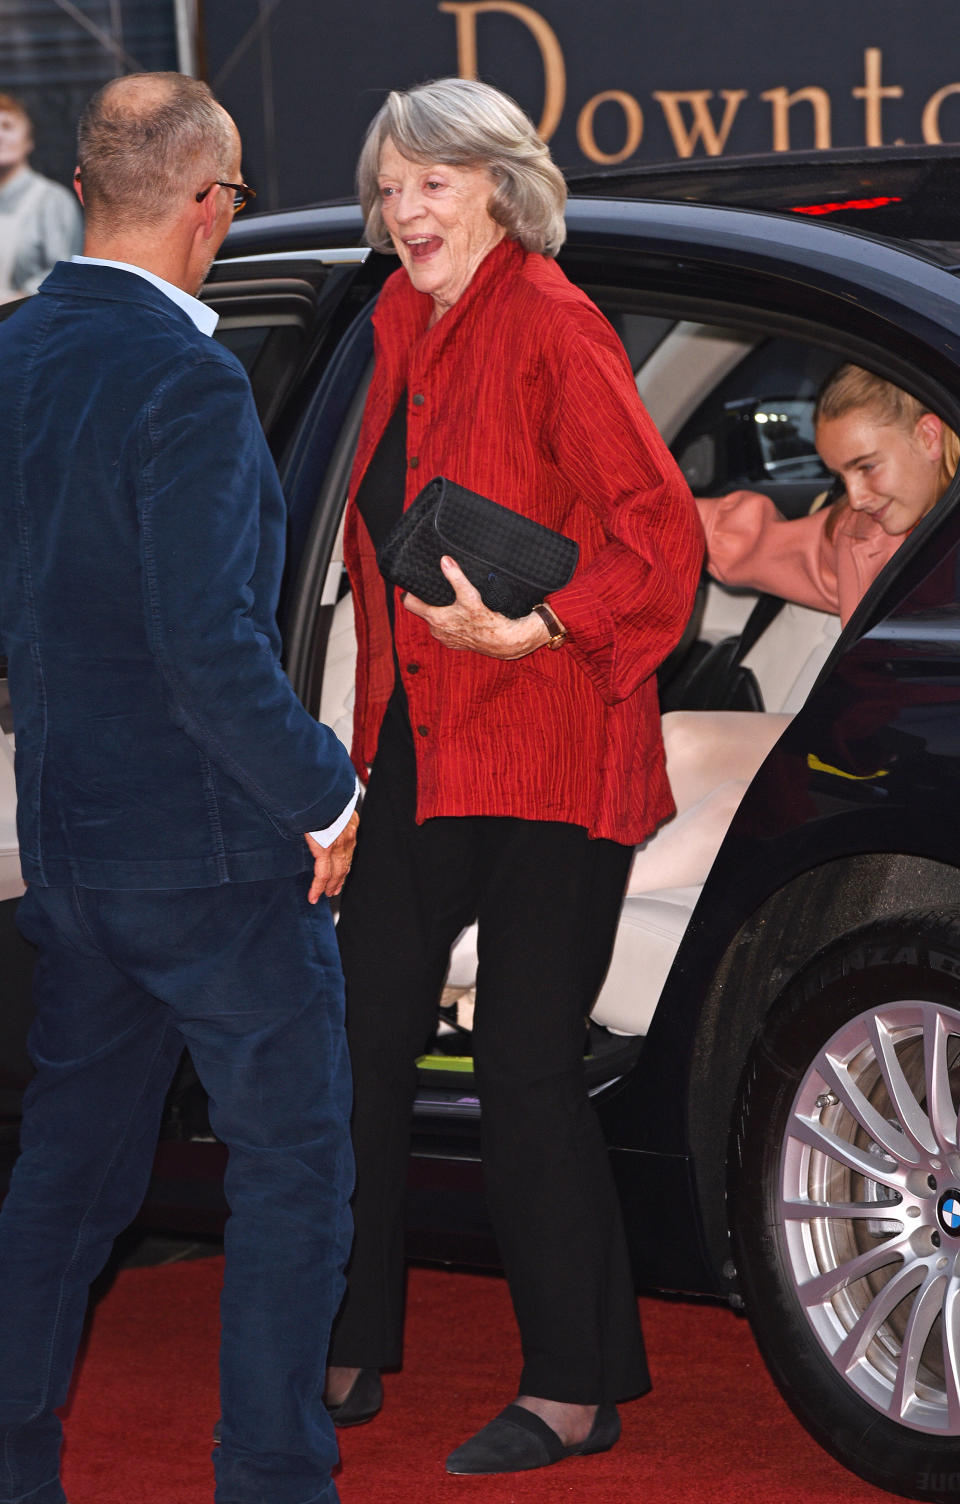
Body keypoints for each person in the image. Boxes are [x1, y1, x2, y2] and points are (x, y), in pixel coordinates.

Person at [323, 77, 703, 1476]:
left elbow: (659, 537)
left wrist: (539, 625)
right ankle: (346, 1335)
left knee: (524, 1065)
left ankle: (573, 1386)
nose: (405, 209)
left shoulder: (551, 318)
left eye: (432, 180)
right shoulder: (388, 326)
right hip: (423, 742)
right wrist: (350, 767)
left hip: (552, 734)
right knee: (360, 1041)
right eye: (388, 187)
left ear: (498, 184)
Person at [0, 73, 359, 1504]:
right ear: (211, 208)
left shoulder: (15, 354)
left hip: (69, 852)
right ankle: (273, 1479)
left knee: (68, 1182)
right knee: (293, 1172)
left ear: (89, 189)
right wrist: (325, 796)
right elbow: (209, 646)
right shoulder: (190, 379)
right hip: (208, 861)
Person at [626, 364, 959, 895]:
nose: (855, 494)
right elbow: (747, 543)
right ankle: (540, 904)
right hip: (867, 751)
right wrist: (621, 512)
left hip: (929, 778)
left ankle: (537, 937)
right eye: (841, 475)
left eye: (866, 467)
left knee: (734, 812)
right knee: (676, 739)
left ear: (928, 436)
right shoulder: (860, 536)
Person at [0, 92, 82, 301]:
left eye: (7, 126)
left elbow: (64, 274)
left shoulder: (52, 200)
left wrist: (15, 298)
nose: (0, 136)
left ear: (28, 140)